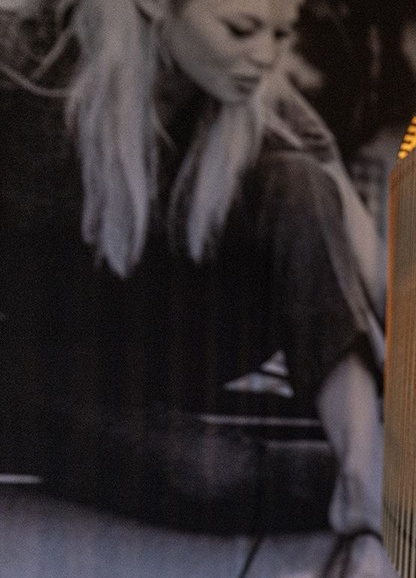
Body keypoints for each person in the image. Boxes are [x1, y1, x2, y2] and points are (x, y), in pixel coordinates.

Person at [0, 0, 384, 533]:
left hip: (161, 339)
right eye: (241, 30)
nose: (265, 56)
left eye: (281, 34)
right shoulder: (23, 61)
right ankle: (387, 484)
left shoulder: (256, 90)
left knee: (300, 181)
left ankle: (364, 471)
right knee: (213, 475)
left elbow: (363, 264)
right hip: (41, 366)